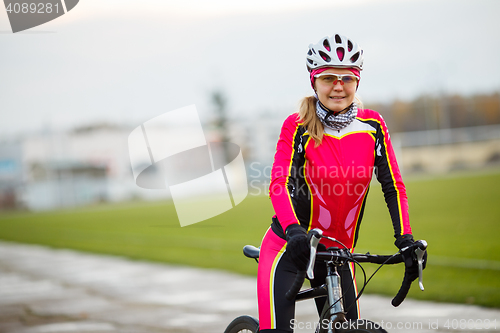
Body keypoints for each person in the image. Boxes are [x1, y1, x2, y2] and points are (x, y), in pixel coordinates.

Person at [257, 34, 421, 333]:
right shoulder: (297, 126)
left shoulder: (373, 126)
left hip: (336, 253)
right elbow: (279, 182)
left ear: (357, 82)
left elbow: (393, 186)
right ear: (314, 81)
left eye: (347, 78)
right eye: (328, 77)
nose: (338, 86)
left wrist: (406, 239)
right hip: (288, 247)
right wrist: (294, 232)